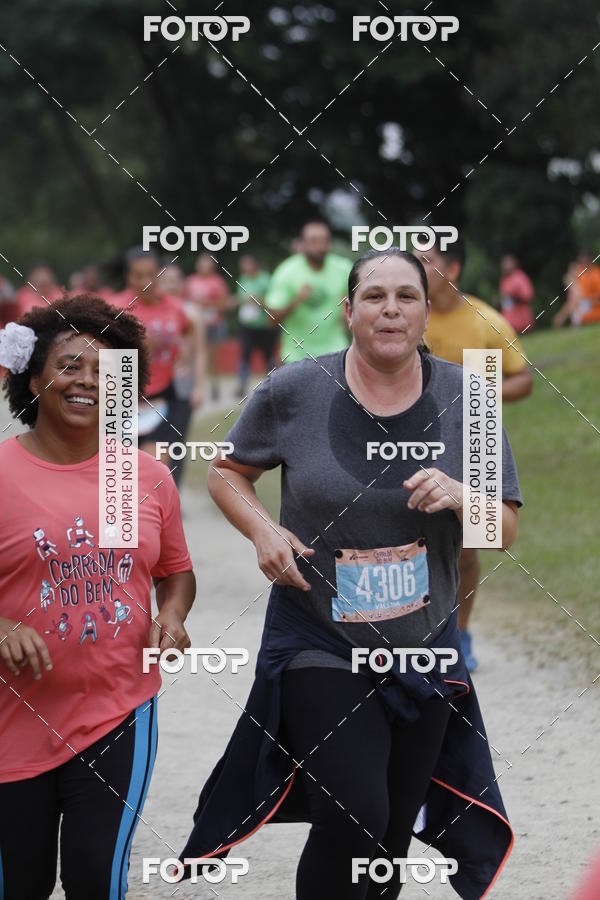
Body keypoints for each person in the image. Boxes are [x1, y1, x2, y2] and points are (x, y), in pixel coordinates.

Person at [179, 249, 522, 900]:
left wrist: (460, 495)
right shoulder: (294, 389)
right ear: (347, 310)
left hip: (423, 643)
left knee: (389, 835)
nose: (390, 310)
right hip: (320, 636)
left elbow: (500, 531)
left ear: (427, 311)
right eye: (374, 296)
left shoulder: (470, 396)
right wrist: (264, 530)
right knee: (354, 812)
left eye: (406, 297)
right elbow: (226, 472)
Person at [0, 296, 196, 900]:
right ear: (34, 379)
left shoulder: (138, 475)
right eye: (69, 365)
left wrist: (171, 614)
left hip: (116, 710)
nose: (87, 380)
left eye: (104, 370)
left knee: (96, 880)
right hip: (13, 718)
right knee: (19, 884)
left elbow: (174, 571)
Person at [419, 236, 532, 672]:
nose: (415, 269)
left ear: (453, 269)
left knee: (469, 545)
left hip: (475, 436)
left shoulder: (486, 322)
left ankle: (460, 635)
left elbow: (523, 380)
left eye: (425, 261)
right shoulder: (411, 317)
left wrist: (477, 391)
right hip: (415, 435)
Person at [111, 248, 205, 488]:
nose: (146, 281)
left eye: (151, 275)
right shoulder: (115, 309)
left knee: (155, 474)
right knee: (123, 477)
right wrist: (137, 348)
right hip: (123, 399)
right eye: (138, 275)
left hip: (163, 397)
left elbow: (188, 331)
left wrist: (184, 351)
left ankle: (154, 510)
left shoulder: (174, 307)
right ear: (128, 277)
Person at [265, 220, 352, 362]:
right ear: (302, 244)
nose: (320, 246)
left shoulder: (344, 269)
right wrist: (297, 300)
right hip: (296, 357)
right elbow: (271, 320)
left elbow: (360, 307)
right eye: (314, 241)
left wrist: (349, 310)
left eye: (325, 240)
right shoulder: (286, 272)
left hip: (336, 354)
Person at [185, 253, 230, 401]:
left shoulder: (217, 282)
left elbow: (224, 304)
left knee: (211, 358)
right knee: (194, 355)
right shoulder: (190, 281)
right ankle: (196, 386)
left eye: (207, 263)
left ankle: (214, 384)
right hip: (195, 325)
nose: (204, 266)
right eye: (202, 263)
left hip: (213, 324)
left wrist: (207, 304)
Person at [236, 254, 278, 396]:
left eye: (247, 264)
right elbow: (240, 298)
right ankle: (242, 385)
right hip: (248, 326)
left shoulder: (266, 280)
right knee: (245, 355)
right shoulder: (243, 279)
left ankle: (273, 384)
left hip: (265, 326)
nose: (245, 267)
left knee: (268, 356)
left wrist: (258, 300)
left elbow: (274, 300)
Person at [552, 249, 600, 327]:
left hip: (593, 305)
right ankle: (562, 318)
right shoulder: (581, 272)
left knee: (577, 297)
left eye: (584, 260)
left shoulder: (596, 273)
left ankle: (561, 318)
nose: (582, 262)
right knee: (575, 294)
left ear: (590, 260)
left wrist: (584, 298)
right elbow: (567, 279)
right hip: (581, 303)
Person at [499, 253, 535, 333]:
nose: (506, 266)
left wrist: (514, 297)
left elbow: (528, 296)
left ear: (514, 263)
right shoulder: (504, 280)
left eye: (508, 263)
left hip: (522, 320)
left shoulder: (520, 277)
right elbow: (504, 299)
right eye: (504, 263)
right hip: (508, 322)